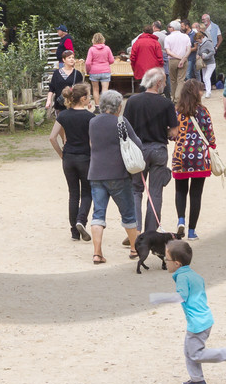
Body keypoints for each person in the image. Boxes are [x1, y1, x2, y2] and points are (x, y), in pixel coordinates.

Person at [165, 240, 226, 384]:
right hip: (204, 319)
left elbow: (182, 296)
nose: (165, 262)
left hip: (197, 324)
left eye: (166, 259)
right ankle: (197, 379)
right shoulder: (195, 275)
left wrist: (159, 298)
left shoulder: (182, 277)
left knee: (195, 354)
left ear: (177, 263)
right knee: (189, 350)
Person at [86, 89, 142, 264]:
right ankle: (134, 249)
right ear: (118, 106)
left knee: (98, 213)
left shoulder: (93, 122)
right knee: (128, 213)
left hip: (95, 173)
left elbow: (92, 143)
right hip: (118, 174)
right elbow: (137, 143)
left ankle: (97, 253)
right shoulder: (121, 122)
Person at [123, 68, 177, 237]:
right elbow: (174, 132)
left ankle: (136, 230)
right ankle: (151, 232)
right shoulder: (166, 103)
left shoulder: (132, 101)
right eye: (165, 81)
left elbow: (124, 127)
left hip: (138, 151)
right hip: (159, 149)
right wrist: (165, 132)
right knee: (155, 192)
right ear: (158, 83)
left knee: (136, 190)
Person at [168, 80, 216, 239]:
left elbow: (172, 135)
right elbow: (210, 136)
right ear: (197, 93)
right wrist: (212, 146)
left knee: (180, 190)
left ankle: (180, 219)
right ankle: (191, 231)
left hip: (181, 156)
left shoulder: (177, 112)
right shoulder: (203, 112)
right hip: (199, 158)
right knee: (196, 194)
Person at [50, 85, 96, 241]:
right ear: (83, 99)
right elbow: (92, 142)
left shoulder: (63, 115)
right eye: (89, 96)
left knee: (73, 194)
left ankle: (74, 232)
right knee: (87, 193)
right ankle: (81, 220)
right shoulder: (90, 118)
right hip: (85, 158)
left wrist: (61, 154)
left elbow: (52, 137)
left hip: (68, 158)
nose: (90, 98)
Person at [47, 49, 84, 114]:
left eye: (73, 57)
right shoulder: (57, 73)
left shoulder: (77, 74)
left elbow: (82, 90)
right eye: (69, 58)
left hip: (73, 105)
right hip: (60, 104)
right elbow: (51, 88)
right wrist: (48, 100)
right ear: (64, 60)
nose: (72, 59)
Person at [162, 20, 191, 88]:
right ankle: (177, 98)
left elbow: (168, 52)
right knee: (181, 80)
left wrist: (179, 57)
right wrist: (183, 58)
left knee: (173, 80)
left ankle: (174, 97)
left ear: (173, 28)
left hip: (172, 60)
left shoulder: (167, 38)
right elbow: (189, 49)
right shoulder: (186, 36)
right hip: (184, 59)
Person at [195, 26, 218, 96]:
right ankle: (208, 90)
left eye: (198, 40)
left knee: (207, 77)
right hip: (203, 63)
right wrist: (198, 55)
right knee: (204, 77)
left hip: (210, 63)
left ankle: (208, 92)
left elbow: (213, 51)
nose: (197, 41)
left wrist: (206, 56)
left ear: (201, 37)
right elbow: (198, 52)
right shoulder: (200, 45)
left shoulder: (208, 42)